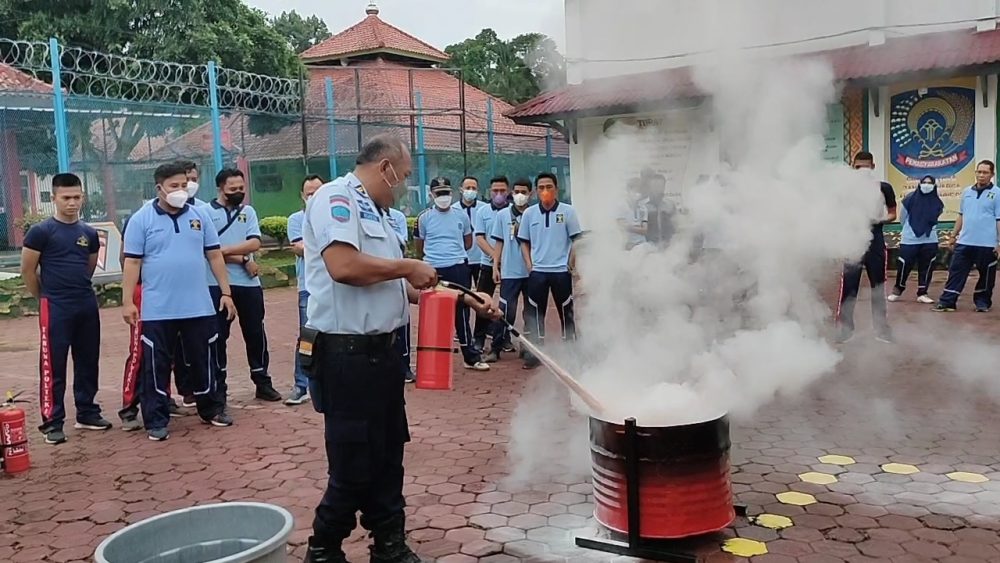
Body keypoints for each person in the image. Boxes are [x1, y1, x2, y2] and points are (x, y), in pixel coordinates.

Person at [302, 135, 498, 563]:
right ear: (386, 167)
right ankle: (323, 547)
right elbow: (344, 266)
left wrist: (467, 298)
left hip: (385, 355)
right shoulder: (337, 198)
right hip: (345, 356)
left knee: (389, 454)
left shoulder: (381, 214)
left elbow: (405, 286)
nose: (404, 185)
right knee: (353, 461)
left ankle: (388, 543)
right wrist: (409, 265)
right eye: (404, 176)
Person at [122, 162, 236, 441]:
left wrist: (226, 292)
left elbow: (214, 255)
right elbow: (132, 262)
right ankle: (156, 419)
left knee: (204, 359)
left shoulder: (199, 216)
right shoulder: (141, 219)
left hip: (198, 306)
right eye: (174, 186)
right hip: (158, 310)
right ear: (159, 188)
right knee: (156, 365)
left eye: (184, 185)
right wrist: (127, 301)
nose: (180, 191)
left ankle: (211, 409)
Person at [20, 173, 111, 445]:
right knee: (53, 365)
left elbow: (90, 266)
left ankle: (86, 412)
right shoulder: (41, 232)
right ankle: (52, 421)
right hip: (55, 305)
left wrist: (78, 291)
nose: (72, 203)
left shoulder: (89, 233)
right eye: (66, 198)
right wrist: (45, 297)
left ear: (82, 197)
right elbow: (27, 271)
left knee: (87, 360)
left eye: (76, 197)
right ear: (54, 198)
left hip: (85, 303)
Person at [204, 168, 282, 403]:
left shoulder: (248, 212)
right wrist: (242, 258)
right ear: (220, 188)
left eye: (241, 188)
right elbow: (207, 250)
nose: (238, 192)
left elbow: (254, 243)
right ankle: (219, 386)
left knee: (255, 332)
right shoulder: (205, 213)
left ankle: (262, 380)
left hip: (248, 284)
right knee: (218, 336)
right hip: (217, 283)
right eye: (232, 189)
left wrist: (225, 251)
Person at [414, 177, 490, 371]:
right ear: (431, 195)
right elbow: (419, 247)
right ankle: (433, 362)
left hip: (457, 266)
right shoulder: (424, 218)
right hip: (434, 269)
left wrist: (453, 255)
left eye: (446, 193)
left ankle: (470, 357)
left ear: (452, 193)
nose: (443, 197)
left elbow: (468, 242)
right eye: (439, 193)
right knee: (433, 313)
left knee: (462, 313)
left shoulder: (461, 216)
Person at [517, 172, 582, 369]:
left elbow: (576, 240)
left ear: (556, 189)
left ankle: (571, 351)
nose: (545, 191)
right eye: (541, 188)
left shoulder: (568, 212)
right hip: (538, 272)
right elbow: (524, 242)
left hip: (561, 271)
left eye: (549, 187)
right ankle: (535, 353)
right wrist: (529, 264)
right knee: (535, 313)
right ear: (536, 191)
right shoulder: (529, 214)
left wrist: (571, 263)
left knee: (566, 311)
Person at [836, 151, 897, 344]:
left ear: (873, 166)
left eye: (865, 167)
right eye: (857, 167)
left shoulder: (884, 188)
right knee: (849, 287)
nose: (862, 171)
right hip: (853, 240)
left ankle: (881, 329)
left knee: (878, 286)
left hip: (875, 239)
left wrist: (878, 219)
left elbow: (893, 214)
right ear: (852, 168)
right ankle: (845, 329)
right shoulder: (846, 190)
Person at [933, 160, 1000, 312]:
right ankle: (947, 301)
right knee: (956, 272)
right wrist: (952, 236)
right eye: (979, 172)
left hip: (987, 243)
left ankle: (982, 303)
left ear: (992, 175)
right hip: (965, 242)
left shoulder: (997, 194)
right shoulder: (966, 192)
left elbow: (999, 219)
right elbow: (961, 216)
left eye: (985, 172)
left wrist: (999, 243)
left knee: (986, 275)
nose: (981, 175)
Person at [285, 174, 324, 405]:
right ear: (302, 195)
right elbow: (299, 249)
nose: (313, 196)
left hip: (334, 285)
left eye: (318, 191)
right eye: (309, 193)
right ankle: (301, 385)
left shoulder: (336, 217)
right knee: (307, 336)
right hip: (308, 287)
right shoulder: (295, 219)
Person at [485, 178, 534, 363]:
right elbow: (499, 242)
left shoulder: (534, 213)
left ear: (531, 193)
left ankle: (528, 348)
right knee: (505, 310)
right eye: (517, 191)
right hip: (510, 271)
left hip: (531, 271)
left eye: (524, 191)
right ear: (512, 193)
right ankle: (496, 347)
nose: (520, 195)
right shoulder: (503, 215)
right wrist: (495, 265)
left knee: (531, 311)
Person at [889, 175, 943, 304]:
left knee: (927, 266)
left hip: (929, 239)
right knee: (904, 265)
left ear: (934, 185)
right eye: (924, 182)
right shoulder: (909, 199)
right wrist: (911, 229)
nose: (926, 185)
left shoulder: (937, 202)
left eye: (930, 183)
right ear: (919, 183)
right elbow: (903, 218)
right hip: (910, 239)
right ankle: (898, 289)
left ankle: (922, 292)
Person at [472, 176, 510, 355]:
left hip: (510, 266)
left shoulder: (513, 212)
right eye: (496, 191)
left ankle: (504, 339)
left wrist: (503, 259)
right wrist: (495, 256)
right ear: (489, 192)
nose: (499, 194)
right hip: (487, 264)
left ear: (508, 191)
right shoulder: (483, 212)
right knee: (482, 301)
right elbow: (479, 238)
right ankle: (478, 338)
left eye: (503, 191)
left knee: (506, 303)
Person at [386, 206, 416, 383]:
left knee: (402, 324)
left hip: (398, 277)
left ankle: (405, 366)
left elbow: (401, 245)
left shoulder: (397, 217)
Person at [455, 176, 486, 288]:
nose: (470, 190)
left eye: (474, 188)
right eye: (467, 187)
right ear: (461, 189)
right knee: (463, 292)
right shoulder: (453, 210)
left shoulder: (485, 209)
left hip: (481, 258)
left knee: (483, 294)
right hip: (462, 259)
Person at [643, 172, 675, 246]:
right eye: (655, 186)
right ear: (650, 187)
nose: (657, 189)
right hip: (648, 247)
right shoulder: (643, 206)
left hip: (668, 246)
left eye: (660, 186)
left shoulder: (670, 205)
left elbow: (675, 226)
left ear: (664, 187)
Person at [618, 177, 648, 250]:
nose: (638, 194)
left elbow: (645, 230)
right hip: (627, 246)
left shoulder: (643, 208)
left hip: (642, 245)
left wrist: (629, 227)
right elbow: (621, 227)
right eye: (636, 190)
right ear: (628, 190)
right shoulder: (621, 206)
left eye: (640, 191)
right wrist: (638, 228)